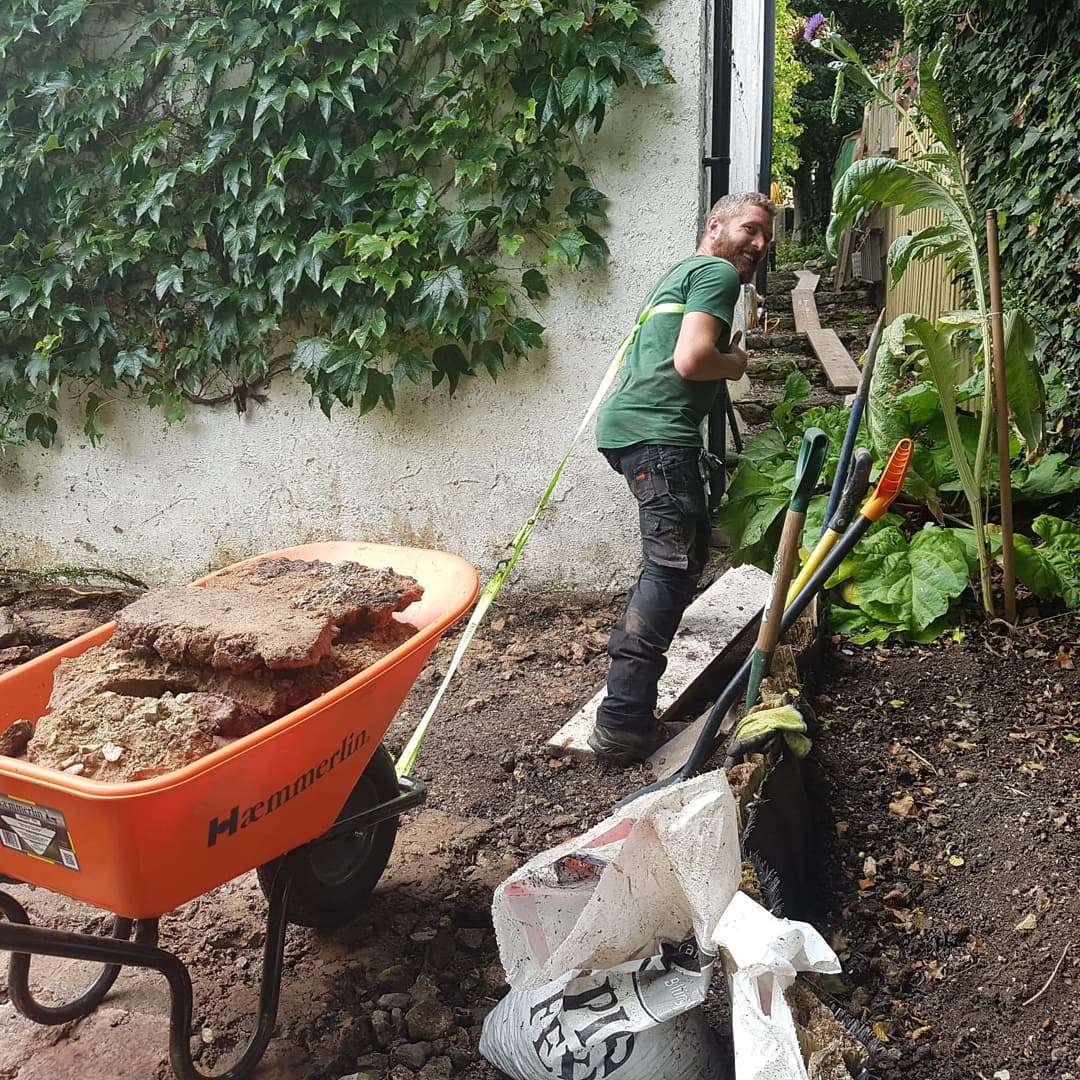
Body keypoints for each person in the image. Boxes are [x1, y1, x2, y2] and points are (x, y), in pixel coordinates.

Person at [589, 191, 776, 766]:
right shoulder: (717, 273)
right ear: (715, 225)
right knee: (669, 568)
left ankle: (630, 704)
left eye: (767, 236)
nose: (760, 245)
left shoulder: (683, 272)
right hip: (658, 434)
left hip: (633, 427)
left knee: (684, 556)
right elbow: (692, 360)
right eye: (750, 228)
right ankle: (621, 721)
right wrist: (737, 362)